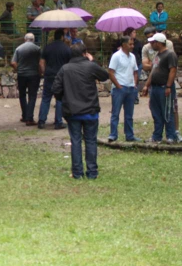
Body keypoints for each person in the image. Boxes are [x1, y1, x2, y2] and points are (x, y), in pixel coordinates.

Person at [52, 43, 109, 179]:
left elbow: (55, 89)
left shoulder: (65, 69)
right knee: (90, 140)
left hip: (72, 111)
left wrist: (64, 99)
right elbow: (105, 75)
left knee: (76, 141)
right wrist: (92, 61)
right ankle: (92, 172)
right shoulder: (90, 66)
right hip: (90, 111)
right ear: (85, 53)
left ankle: (77, 173)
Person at [141, 27, 182, 142]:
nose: (151, 44)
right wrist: (147, 85)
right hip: (155, 87)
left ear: (159, 43)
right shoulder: (157, 55)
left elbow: (173, 71)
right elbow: (153, 71)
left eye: (153, 42)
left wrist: (168, 86)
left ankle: (171, 136)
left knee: (167, 111)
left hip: (164, 87)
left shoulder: (170, 54)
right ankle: (157, 136)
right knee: (156, 112)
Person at [107, 36, 141, 143]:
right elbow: (111, 72)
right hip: (120, 88)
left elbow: (135, 71)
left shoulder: (132, 56)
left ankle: (129, 135)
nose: (132, 46)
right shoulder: (116, 56)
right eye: (130, 44)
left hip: (131, 88)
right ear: (123, 45)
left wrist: (135, 84)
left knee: (129, 114)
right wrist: (118, 85)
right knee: (115, 113)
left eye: (132, 44)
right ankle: (113, 134)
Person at [38, 29, 71, 129]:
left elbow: (41, 63)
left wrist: (44, 72)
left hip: (49, 75)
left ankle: (41, 121)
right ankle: (58, 122)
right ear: (62, 37)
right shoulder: (66, 49)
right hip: (61, 76)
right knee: (60, 99)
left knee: (46, 98)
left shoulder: (47, 47)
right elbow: (70, 64)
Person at [11, 33, 41, 126]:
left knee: (22, 95)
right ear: (33, 39)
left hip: (22, 75)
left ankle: (24, 115)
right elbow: (41, 62)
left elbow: (13, 62)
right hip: (34, 74)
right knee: (32, 96)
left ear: (25, 39)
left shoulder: (19, 48)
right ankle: (30, 118)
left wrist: (17, 69)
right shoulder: (37, 49)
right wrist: (40, 72)